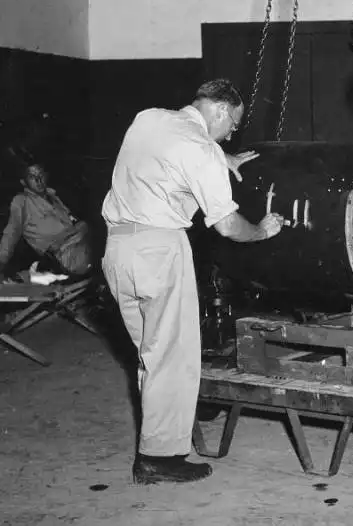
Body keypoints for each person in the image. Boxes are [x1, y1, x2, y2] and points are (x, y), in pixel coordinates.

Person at [101, 79, 284, 485]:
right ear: (220, 111)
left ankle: (158, 438)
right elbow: (227, 226)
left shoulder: (148, 119)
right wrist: (262, 230)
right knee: (173, 358)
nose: (232, 132)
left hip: (118, 250)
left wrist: (221, 157)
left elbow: (174, 150)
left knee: (151, 354)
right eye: (232, 124)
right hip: (160, 251)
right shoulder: (202, 151)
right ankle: (159, 458)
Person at [0, 161, 93, 279]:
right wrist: (1, 262)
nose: (39, 180)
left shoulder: (54, 197)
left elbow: (73, 220)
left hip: (79, 243)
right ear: (24, 182)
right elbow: (11, 234)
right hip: (64, 254)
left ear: (46, 176)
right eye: (32, 177)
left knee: (89, 225)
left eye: (41, 175)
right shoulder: (22, 202)